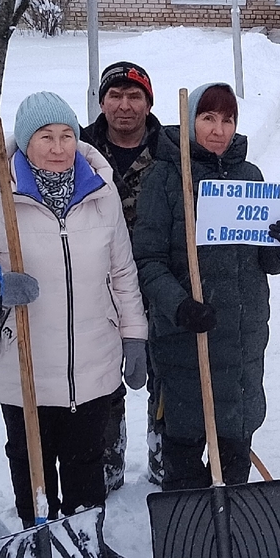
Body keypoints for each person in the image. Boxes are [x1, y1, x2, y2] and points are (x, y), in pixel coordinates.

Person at [0, 91, 146, 558]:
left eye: (67, 134)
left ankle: (88, 540)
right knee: (30, 455)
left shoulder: (100, 192)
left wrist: (134, 335)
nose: (58, 145)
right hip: (23, 355)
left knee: (86, 455)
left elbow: (123, 272)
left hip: (93, 352)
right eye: (46, 136)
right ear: (25, 143)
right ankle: (38, 538)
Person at [133, 82, 280, 489]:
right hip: (186, 342)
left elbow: (264, 259)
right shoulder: (166, 179)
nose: (219, 130)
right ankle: (192, 540)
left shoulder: (249, 177)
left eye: (228, 120)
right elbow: (147, 261)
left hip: (241, 341)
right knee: (185, 458)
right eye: (208, 118)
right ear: (191, 122)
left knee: (234, 455)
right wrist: (180, 305)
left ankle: (230, 539)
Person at [78, 60, 171, 490]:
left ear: (148, 102)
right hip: (96, 283)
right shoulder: (77, 152)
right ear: (102, 102)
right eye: (115, 95)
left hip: (160, 279)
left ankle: (164, 449)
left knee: (166, 371)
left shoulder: (171, 151)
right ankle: (106, 457)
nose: (124, 105)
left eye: (135, 96)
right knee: (100, 374)